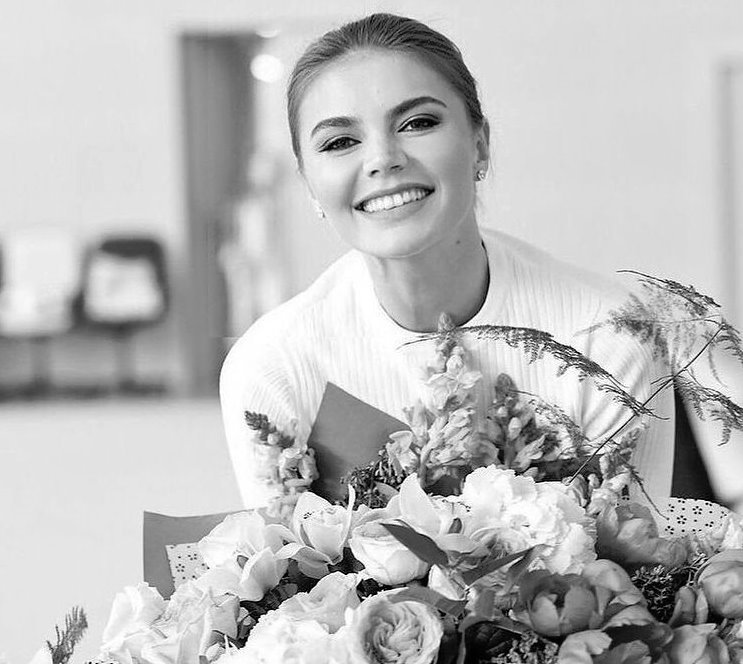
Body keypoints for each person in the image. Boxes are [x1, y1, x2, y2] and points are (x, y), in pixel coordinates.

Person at [220, 13, 674, 510]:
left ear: (479, 144)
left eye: (418, 123)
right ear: (309, 183)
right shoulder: (274, 365)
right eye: (340, 142)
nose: (382, 159)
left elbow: (632, 550)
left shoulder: (606, 335)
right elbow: (284, 552)